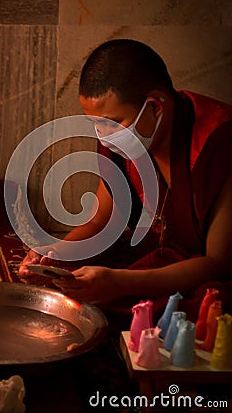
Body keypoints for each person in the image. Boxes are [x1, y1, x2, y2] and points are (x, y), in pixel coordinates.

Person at [19, 39, 232, 324]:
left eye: (112, 122)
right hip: (164, 254)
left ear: (155, 107)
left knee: (207, 307)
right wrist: (53, 255)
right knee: (75, 288)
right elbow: (100, 222)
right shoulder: (124, 144)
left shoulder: (218, 144)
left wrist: (120, 282)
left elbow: (218, 263)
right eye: (95, 123)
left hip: (211, 269)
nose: (102, 135)